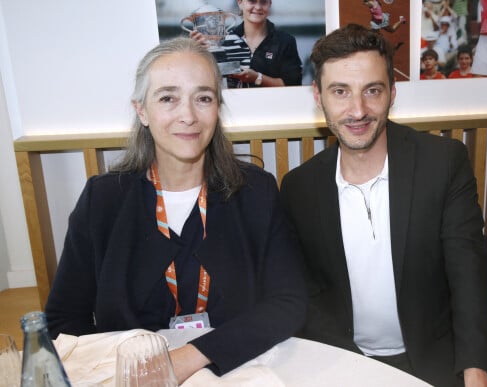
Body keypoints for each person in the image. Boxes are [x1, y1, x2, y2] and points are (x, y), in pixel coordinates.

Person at [44, 37, 307, 383]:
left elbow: (288, 303)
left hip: (235, 371)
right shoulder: (103, 200)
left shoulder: (256, 191)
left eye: (203, 98)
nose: (188, 116)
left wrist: (188, 358)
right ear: (142, 111)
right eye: (168, 98)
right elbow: (63, 320)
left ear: (217, 108)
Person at [280, 24, 487, 387]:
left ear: (392, 93)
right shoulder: (299, 188)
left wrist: (475, 368)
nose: (357, 110)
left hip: (438, 357)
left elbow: (469, 273)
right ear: (318, 95)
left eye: (372, 91)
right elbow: (305, 295)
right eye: (340, 92)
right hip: (343, 360)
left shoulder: (443, 163)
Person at [199, 0, 302, 88]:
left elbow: (293, 85)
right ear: (240, 2)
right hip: (234, 110)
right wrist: (199, 50)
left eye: (263, 1)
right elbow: (209, 82)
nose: (258, 7)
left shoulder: (285, 41)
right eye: (252, 1)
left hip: (271, 109)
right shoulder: (223, 41)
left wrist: (258, 78)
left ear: (269, 3)